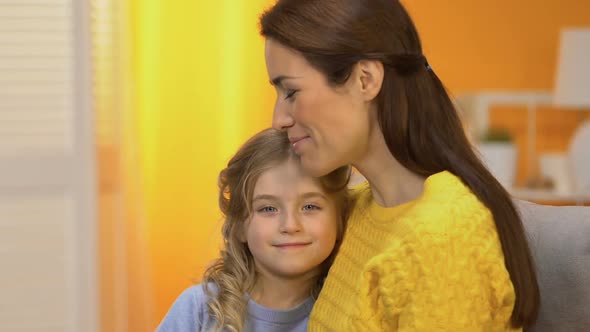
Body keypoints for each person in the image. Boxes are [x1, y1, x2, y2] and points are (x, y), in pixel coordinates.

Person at [260, 0, 540, 331]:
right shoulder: (360, 209)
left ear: (365, 80)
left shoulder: (442, 238)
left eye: (291, 91)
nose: (279, 119)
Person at [157, 128, 350, 332]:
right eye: (268, 208)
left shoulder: (353, 313)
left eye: (310, 207)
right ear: (239, 226)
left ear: (340, 219)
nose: (291, 226)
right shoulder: (199, 311)